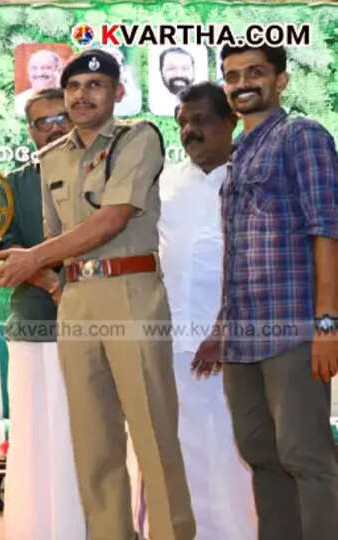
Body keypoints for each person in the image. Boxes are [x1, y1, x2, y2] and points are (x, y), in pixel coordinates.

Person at [0, 49, 195, 540]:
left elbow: (114, 217)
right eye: (74, 87)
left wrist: (33, 258)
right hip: (76, 300)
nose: (83, 95)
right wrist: (53, 279)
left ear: (117, 93)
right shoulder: (51, 157)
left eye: (95, 86)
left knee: (153, 436)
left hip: (131, 292)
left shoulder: (138, 138)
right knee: (93, 442)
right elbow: (57, 237)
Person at [194, 45, 338, 540]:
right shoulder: (238, 154)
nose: (242, 83)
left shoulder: (303, 137)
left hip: (294, 329)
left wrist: (327, 325)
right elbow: (240, 256)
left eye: (255, 72)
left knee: (306, 455)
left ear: (281, 80)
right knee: (261, 454)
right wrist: (220, 329)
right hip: (242, 340)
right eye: (232, 76)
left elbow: (328, 231)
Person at [159, 81, 257, 539]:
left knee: (234, 454)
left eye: (200, 120)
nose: (189, 131)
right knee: (183, 452)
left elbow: (254, 262)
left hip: (234, 347)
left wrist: (224, 327)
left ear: (230, 122)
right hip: (173, 343)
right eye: (182, 122)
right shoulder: (167, 181)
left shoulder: (250, 176)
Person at [0, 87, 86, 540]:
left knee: (87, 437)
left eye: (60, 117)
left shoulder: (102, 171)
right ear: (29, 131)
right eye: (41, 121)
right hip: (35, 327)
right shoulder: (13, 183)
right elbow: (3, 247)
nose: (52, 127)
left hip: (97, 326)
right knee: (36, 440)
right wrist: (51, 283)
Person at [14, 49, 62, 117]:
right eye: (34, 68)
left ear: (58, 71)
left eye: (46, 68)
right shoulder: (18, 102)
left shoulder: (68, 100)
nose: (39, 73)